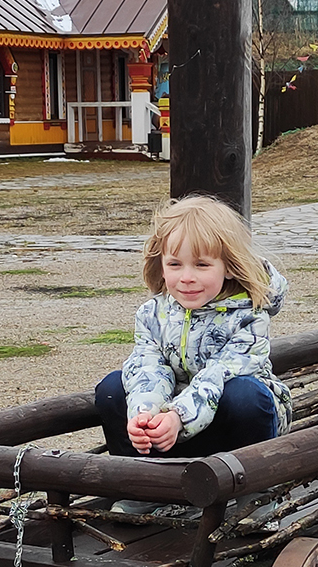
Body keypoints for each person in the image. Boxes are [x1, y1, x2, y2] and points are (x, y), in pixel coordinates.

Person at [95, 196, 291, 463]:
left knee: (244, 395)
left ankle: (253, 488)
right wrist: (146, 415)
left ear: (230, 267)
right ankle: (140, 482)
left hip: (231, 431)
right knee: (113, 387)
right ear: (162, 264)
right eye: (175, 264)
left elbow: (216, 376)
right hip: (173, 427)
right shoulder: (153, 314)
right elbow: (148, 367)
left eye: (201, 265)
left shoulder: (249, 317)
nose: (187, 277)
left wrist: (179, 416)